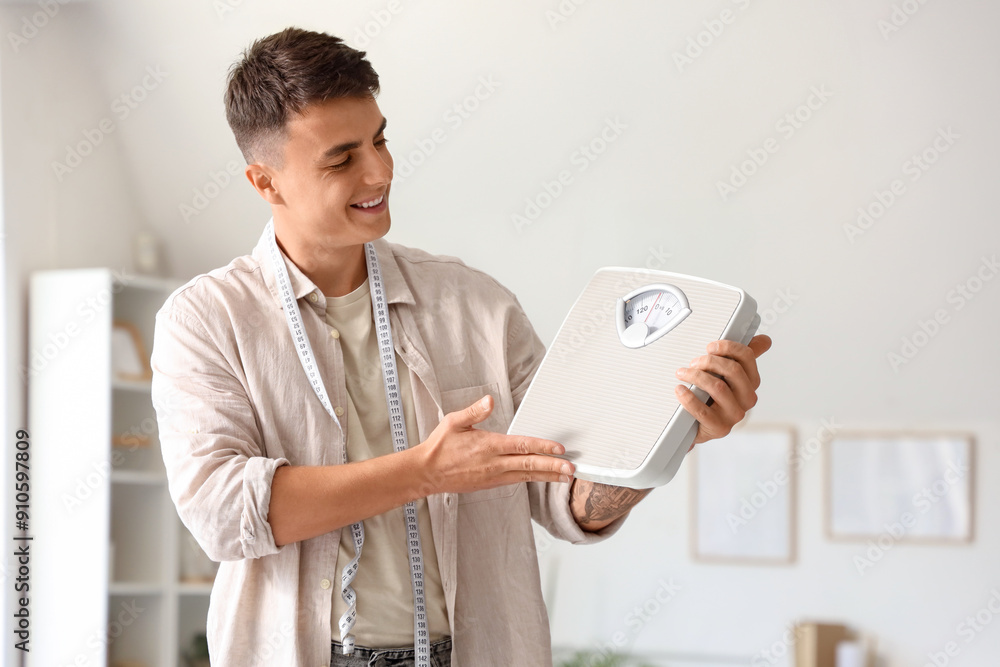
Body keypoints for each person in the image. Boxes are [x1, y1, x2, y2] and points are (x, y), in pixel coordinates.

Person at [149, 26, 770, 667]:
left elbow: (564, 495)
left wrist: (666, 434)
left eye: (380, 139)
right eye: (341, 158)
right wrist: (424, 472)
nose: (381, 170)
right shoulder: (205, 322)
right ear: (265, 182)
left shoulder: (478, 306)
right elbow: (225, 514)